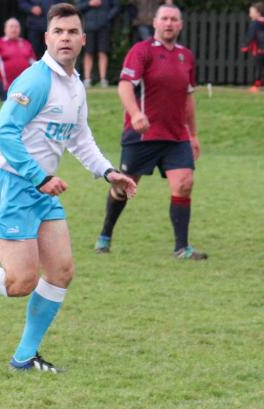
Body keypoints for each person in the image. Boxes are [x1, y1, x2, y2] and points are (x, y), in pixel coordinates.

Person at [0, 3, 137, 372]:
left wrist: (108, 172)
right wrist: (40, 177)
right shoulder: (36, 79)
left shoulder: (75, 84)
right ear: (47, 38)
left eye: (72, 32)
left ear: (82, 39)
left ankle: (24, 357)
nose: (65, 37)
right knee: (20, 282)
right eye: (58, 31)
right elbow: (2, 131)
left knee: (61, 271)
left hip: (40, 190)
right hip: (10, 184)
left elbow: (80, 138)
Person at [94, 4, 206, 260]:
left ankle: (182, 248)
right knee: (123, 187)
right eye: (164, 18)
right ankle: (105, 234)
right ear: (155, 23)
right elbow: (124, 87)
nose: (168, 23)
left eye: (173, 19)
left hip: (176, 137)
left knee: (184, 184)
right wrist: (135, 114)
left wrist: (193, 134)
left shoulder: (186, 56)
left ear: (180, 25)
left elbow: (189, 99)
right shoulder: (141, 51)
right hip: (142, 137)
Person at [0, 18, 37, 101]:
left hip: (25, 87)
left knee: (24, 110)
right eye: (11, 26)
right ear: (5, 29)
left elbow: (35, 67)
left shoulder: (26, 44)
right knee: (9, 112)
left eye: (16, 26)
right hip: (7, 87)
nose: (14, 29)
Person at [77, 0, 119, 87]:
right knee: (88, 53)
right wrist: (89, 4)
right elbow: (78, 7)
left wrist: (107, 18)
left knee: (103, 52)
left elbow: (116, 7)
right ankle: (87, 80)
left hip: (104, 27)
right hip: (88, 26)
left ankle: (103, 80)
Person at [242, 2, 264, 93]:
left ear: (258, 13)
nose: (250, 14)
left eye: (251, 12)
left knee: (259, 67)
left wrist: (245, 45)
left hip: (259, 50)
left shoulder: (254, 23)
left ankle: (256, 86)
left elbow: (251, 35)